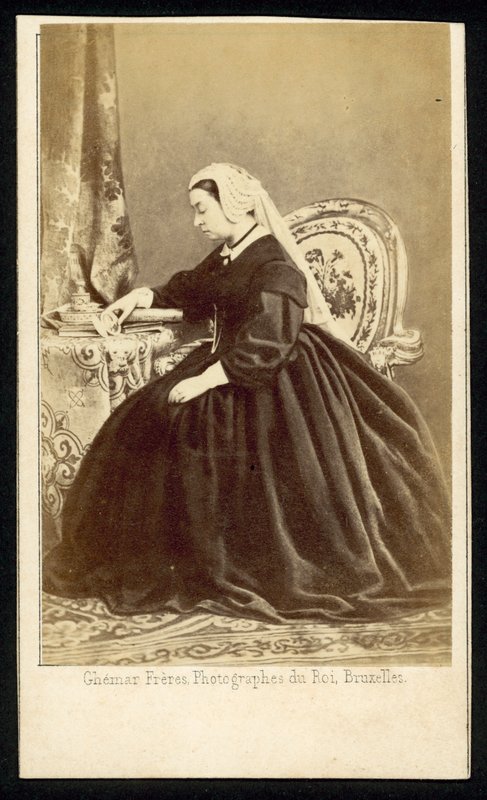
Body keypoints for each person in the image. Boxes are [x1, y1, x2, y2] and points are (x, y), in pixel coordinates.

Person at [43, 163, 451, 622]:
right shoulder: (231, 253)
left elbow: (269, 340)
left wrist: (205, 379)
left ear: (234, 205)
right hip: (231, 361)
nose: (197, 221)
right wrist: (141, 297)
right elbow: (192, 289)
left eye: (202, 210)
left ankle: (228, 563)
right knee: (144, 419)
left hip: (272, 373)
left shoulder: (274, 264)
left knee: (196, 430)